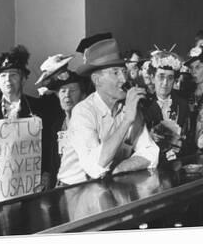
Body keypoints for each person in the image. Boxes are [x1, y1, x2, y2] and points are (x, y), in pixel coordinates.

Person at [57, 37, 159, 185]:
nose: (124, 79)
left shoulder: (127, 107)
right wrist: (126, 121)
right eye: (115, 73)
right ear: (97, 80)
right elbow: (95, 167)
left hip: (107, 184)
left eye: (124, 71)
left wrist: (121, 167)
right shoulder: (83, 112)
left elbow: (150, 152)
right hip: (73, 190)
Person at [143, 50, 191, 162]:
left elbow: (189, 140)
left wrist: (180, 143)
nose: (165, 83)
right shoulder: (143, 104)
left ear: (175, 80)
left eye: (170, 78)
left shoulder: (182, 104)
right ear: (152, 77)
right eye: (161, 76)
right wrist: (148, 137)